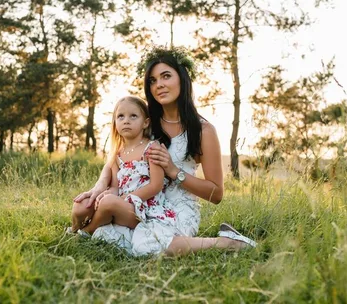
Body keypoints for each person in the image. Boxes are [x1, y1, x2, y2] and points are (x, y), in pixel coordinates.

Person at [72, 46, 256, 256]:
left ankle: (228, 243)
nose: (159, 84)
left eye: (166, 76)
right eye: (152, 80)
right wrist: (99, 187)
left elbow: (216, 194)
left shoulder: (203, 130)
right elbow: (117, 156)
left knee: (145, 247)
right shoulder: (143, 119)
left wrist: (173, 170)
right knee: (108, 238)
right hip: (140, 203)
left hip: (176, 209)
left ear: (182, 78)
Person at [75, 96, 175, 237]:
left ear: (145, 123)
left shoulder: (152, 148)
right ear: (115, 122)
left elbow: (155, 186)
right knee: (81, 206)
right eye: (121, 116)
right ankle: (74, 229)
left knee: (109, 203)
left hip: (144, 209)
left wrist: (123, 198)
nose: (126, 120)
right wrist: (108, 194)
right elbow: (116, 186)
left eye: (133, 116)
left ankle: (86, 231)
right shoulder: (117, 153)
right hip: (121, 203)